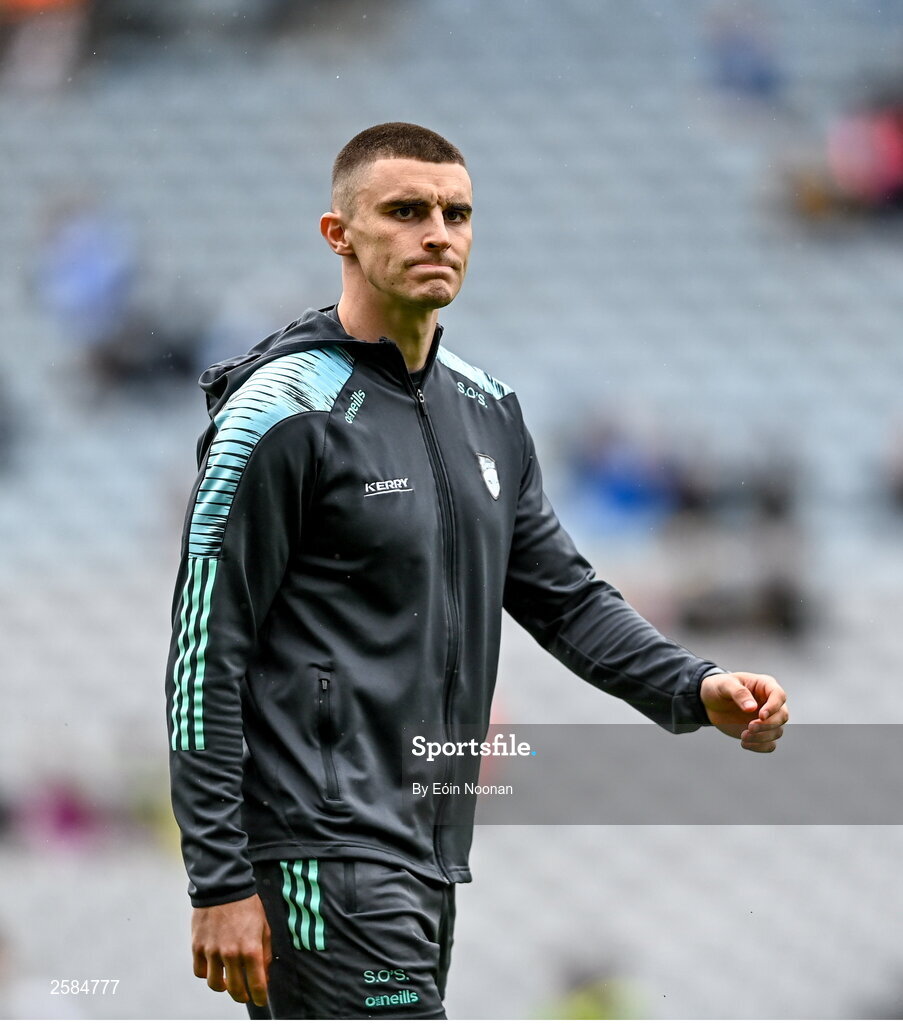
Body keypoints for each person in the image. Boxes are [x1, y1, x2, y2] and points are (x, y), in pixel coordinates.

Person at [165, 122, 789, 1019]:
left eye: (456, 213)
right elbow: (204, 655)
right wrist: (217, 880)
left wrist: (697, 687)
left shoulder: (486, 410)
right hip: (317, 848)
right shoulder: (283, 412)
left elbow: (566, 601)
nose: (437, 233)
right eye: (406, 210)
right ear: (338, 235)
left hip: (423, 849)